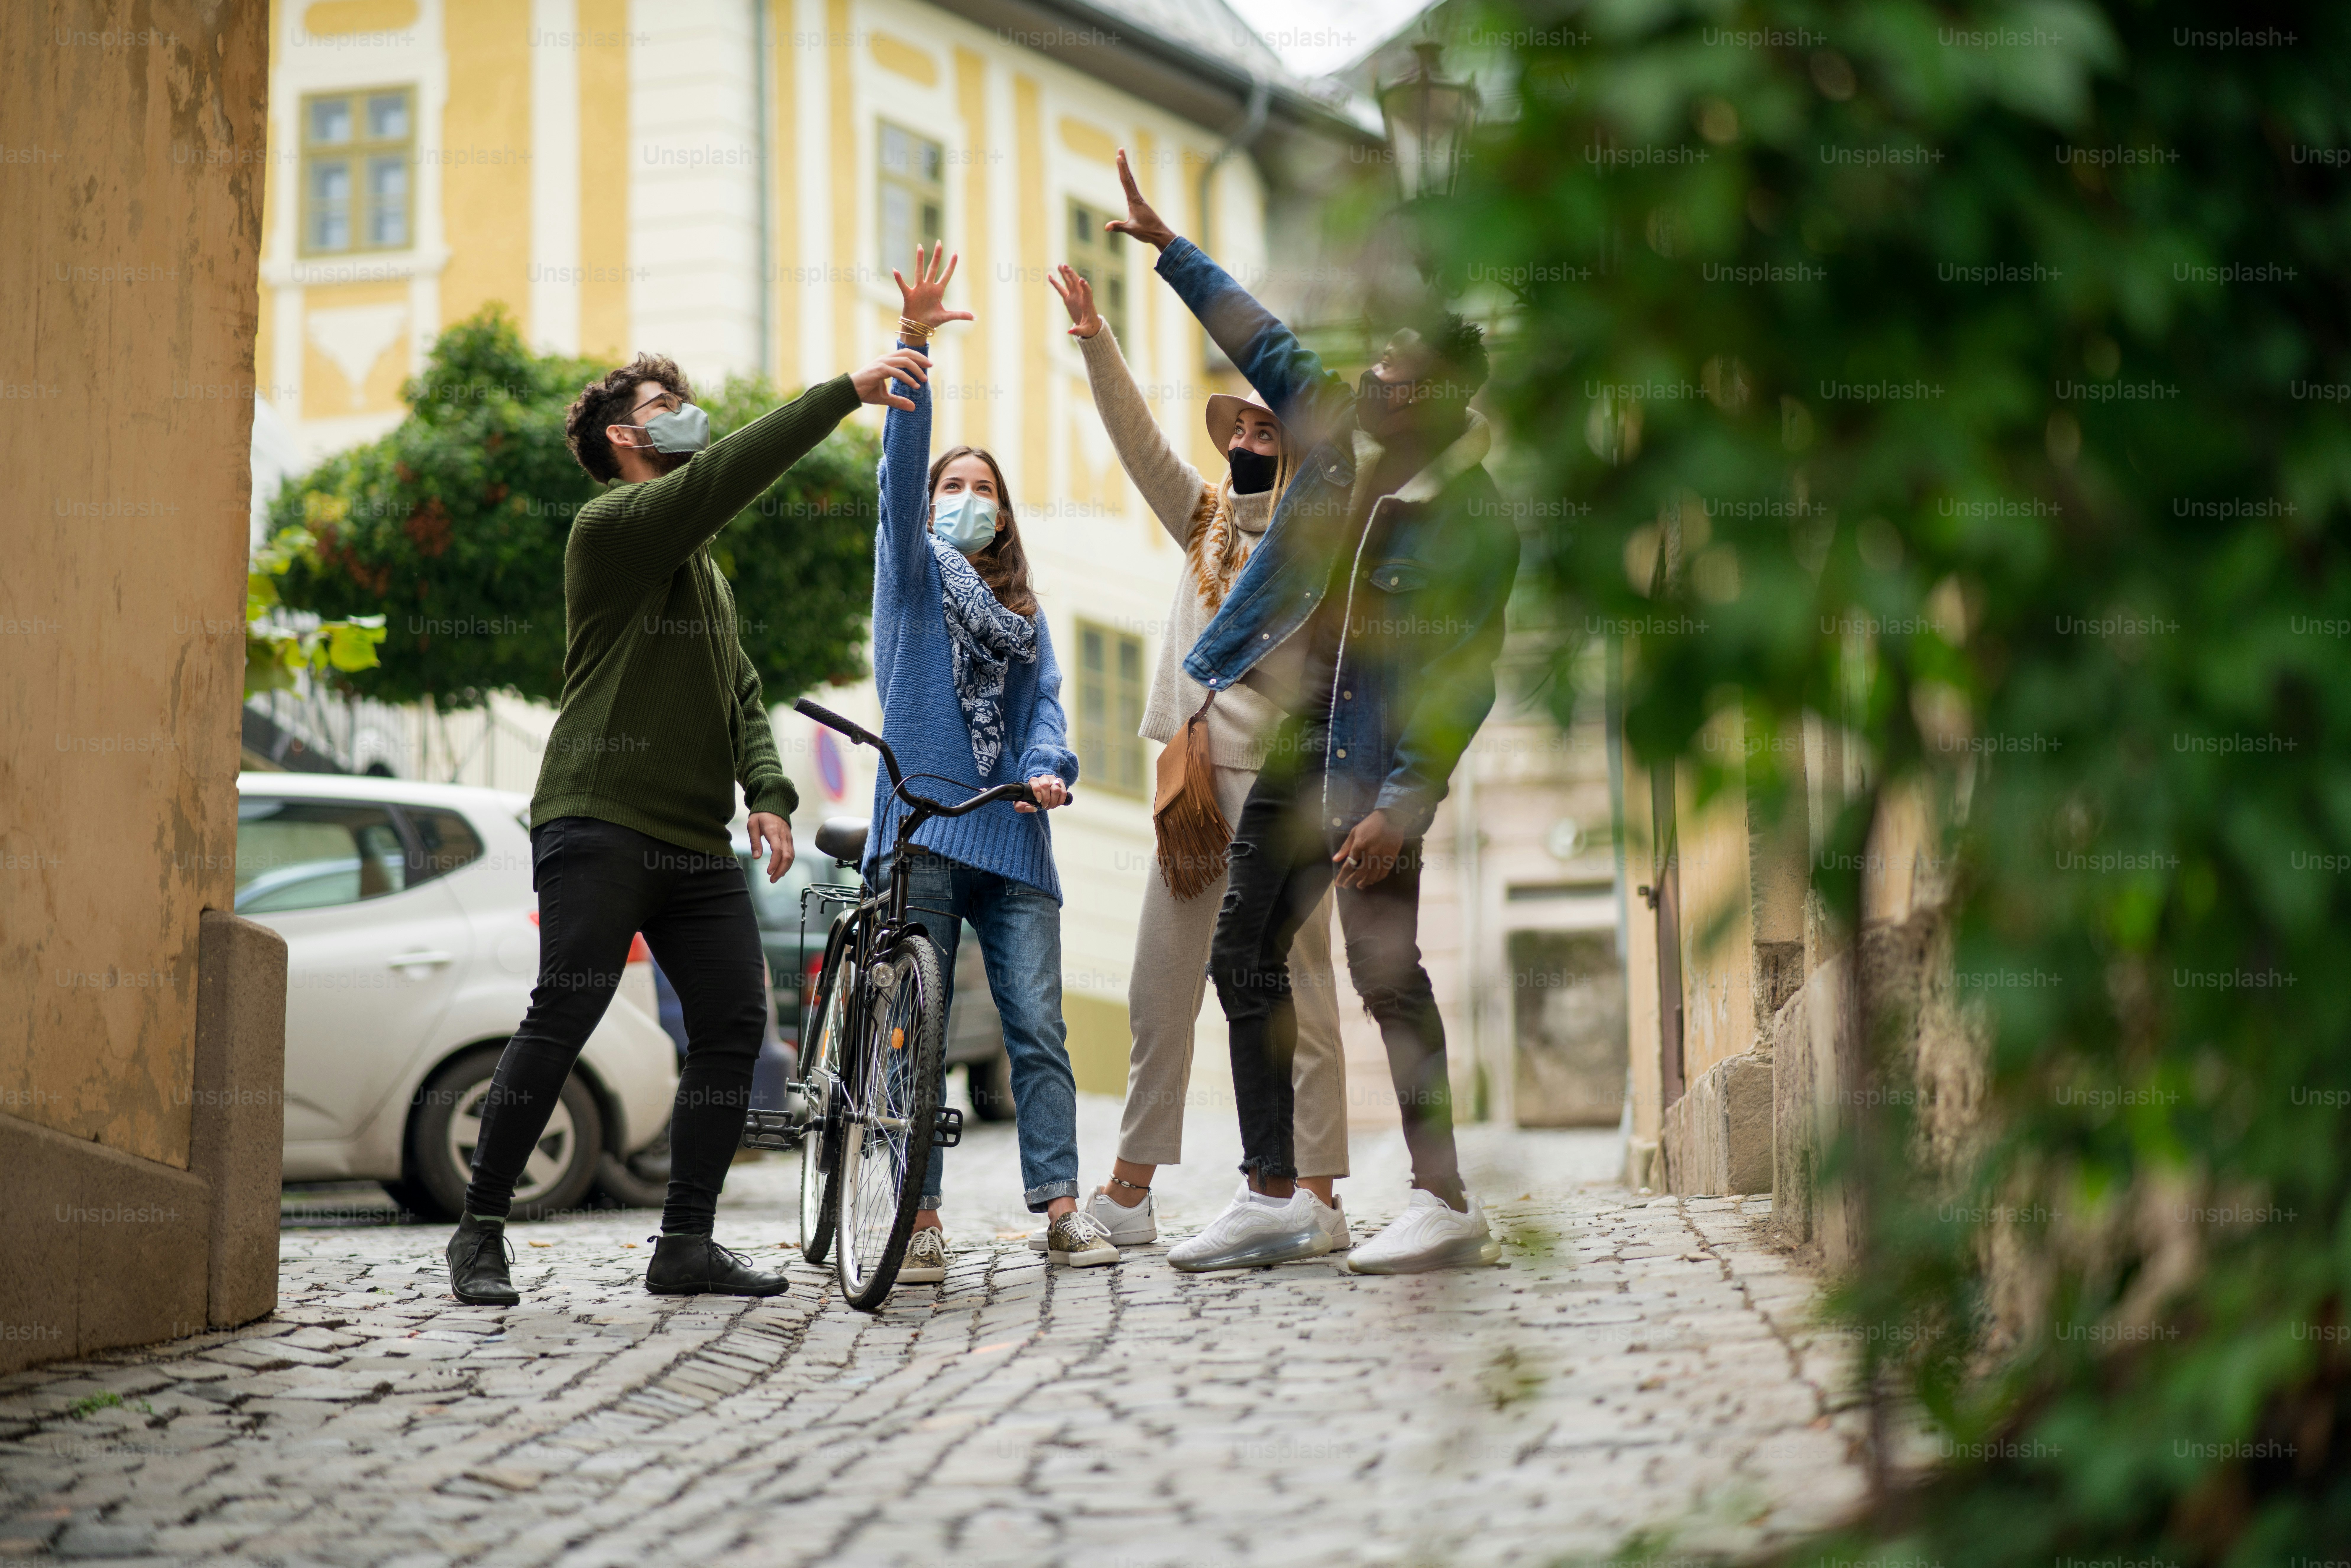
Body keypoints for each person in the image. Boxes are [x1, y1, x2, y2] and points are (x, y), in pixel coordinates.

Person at [445, 341, 934, 1306]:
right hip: (598, 816)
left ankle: (686, 1242)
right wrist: (845, 394)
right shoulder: (612, 525)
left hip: (693, 841)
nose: (687, 413)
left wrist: (770, 795)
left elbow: (741, 695)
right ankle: (481, 1230)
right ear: (626, 435)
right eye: (666, 402)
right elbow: (720, 477)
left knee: (734, 1023)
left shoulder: (706, 575)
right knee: (566, 1011)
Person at [1104, 150, 1519, 1274]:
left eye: (1398, 364)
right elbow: (1263, 340)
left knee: (1387, 975)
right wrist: (1167, 248)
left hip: (1377, 767)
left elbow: (1460, 677)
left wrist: (1406, 802)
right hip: (1300, 743)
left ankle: (1443, 1198)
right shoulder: (1332, 436)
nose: (1373, 373)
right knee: (1244, 956)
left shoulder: (1471, 519)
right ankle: (1282, 1197)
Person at [1045, 261, 1352, 1260]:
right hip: (1193, 796)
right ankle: (1131, 1192)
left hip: (1282, 792)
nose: (1249, 443)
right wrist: (1097, 341)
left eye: (1269, 430)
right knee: (1159, 986)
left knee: (1298, 991)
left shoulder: (1318, 541)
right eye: (1241, 432)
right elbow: (1138, 444)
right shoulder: (1206, 522)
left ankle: (1318, 1193)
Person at [865, 243, 1117, 1282]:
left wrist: (1051, 766)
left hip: (1012, 830)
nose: (968, 498)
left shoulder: (1025, 614)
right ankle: (916, 1223)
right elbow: (896, 462)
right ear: (929, 508)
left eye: (985, 490)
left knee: (1039, 1034)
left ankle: (1061, 1208)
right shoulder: (911, 576)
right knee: (908, 1037)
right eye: (952, 486)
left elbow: (1047, 707)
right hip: (923, 825)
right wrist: (914, 344)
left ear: (1004, 516)